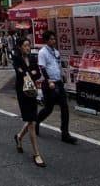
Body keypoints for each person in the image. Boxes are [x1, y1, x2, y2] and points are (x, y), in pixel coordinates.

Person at [36, 31, 78, 144]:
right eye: (51, 39)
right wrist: (49, 80)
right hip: (49, 83)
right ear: (46, 40)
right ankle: (36, 121)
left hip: (58, 82)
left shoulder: (56, 52)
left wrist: (63, 76)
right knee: (48, 108)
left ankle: (65, 133)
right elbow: (42, 67)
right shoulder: (42, 52)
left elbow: (58, 65)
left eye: (54, 39)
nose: (53, 41)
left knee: (64, 107)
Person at [13, 38, 45, 167]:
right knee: (31, 121)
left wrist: (28, 73)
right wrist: (29, 72)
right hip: (22, 92)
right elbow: (19, 73)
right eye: (25, 45)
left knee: (32, 119)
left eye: (29, 45)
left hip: (32, 91)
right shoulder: (16, 58)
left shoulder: (32, 58)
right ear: (20, 47)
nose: (28, 47)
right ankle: (36, 154)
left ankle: (19, 136)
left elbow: (37, 74)